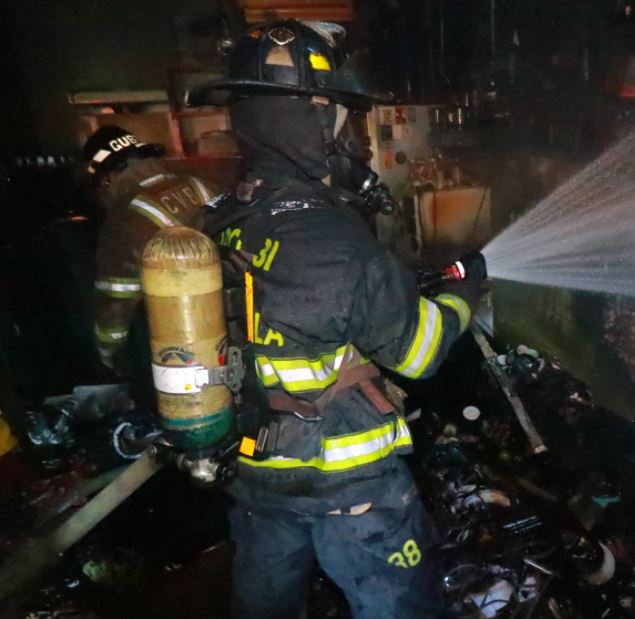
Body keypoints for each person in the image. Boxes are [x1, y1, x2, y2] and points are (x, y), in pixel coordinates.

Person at [188, 20, 482, 619]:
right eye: (344, 118)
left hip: (257, 474)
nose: (353, 136)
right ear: (314, 116)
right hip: (350, 487)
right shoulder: (333, 238)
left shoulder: (224, 215)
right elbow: (418, 352)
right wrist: (463, 296)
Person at [83, 126, 219, 374]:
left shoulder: (124, 219)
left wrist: (107, 357)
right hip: (237, 323)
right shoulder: (200, 184)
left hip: (185, 342)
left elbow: (116, 301)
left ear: (106, 178)